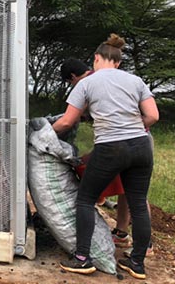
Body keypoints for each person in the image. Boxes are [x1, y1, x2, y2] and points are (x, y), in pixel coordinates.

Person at [53, 34, 158, 279]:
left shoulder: (86, 83)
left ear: (97, 58)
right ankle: (137, 263)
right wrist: (133, 129)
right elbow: (153, 116)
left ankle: (82, 258)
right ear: (118, 62)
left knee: (86, 199)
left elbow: (68, 120)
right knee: (139, 203)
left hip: (111, 147)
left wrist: (45, 131)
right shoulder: (135, 80)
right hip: (142, 146)